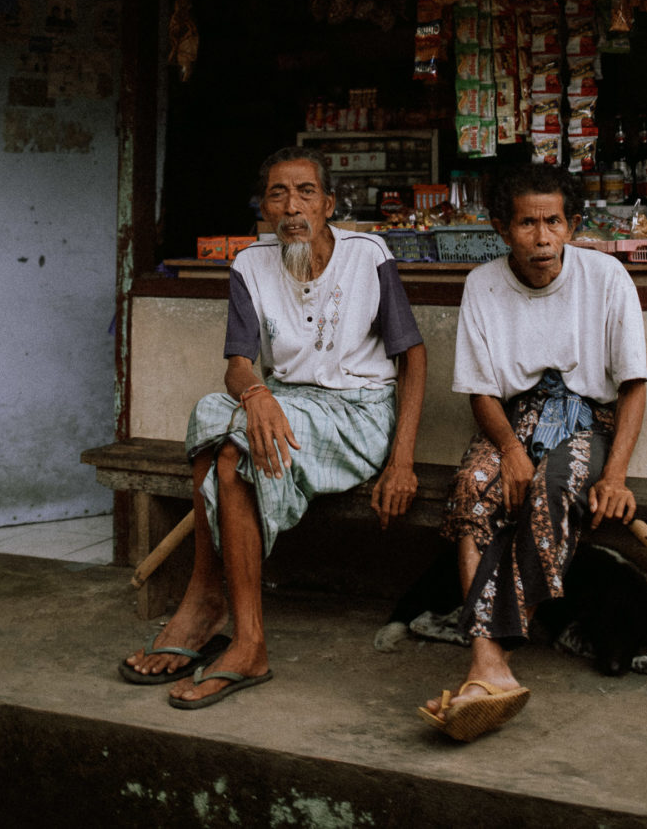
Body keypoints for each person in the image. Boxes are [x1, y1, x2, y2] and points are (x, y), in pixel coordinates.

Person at [121, 146, 427, 708]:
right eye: (278, 194)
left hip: (357, 411)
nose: (292, 207)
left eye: (306, 192)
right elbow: (239, 365)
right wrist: (258, 392)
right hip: (285, 401)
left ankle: (243, 635)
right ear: (262, 208)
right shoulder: (249, 264)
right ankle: (207, 601)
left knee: (235, 454)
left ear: (329, 203)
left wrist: (402, 458)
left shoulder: (368, 254)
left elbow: (413, 357)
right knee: (213, 413)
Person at [419, 162, 647, 742]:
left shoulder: (607, 277)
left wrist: (616, 473)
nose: (542, 238)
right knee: (473, 487)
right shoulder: (483, 284)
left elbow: (633, 386)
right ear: (501, 227)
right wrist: (509, 450)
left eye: (554, 222)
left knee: (552, 491)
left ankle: (486, 660)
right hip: (512, 419)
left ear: (572, 225)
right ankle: (488, 662)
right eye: (527, 223)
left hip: (585, 419)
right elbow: (482, 391)